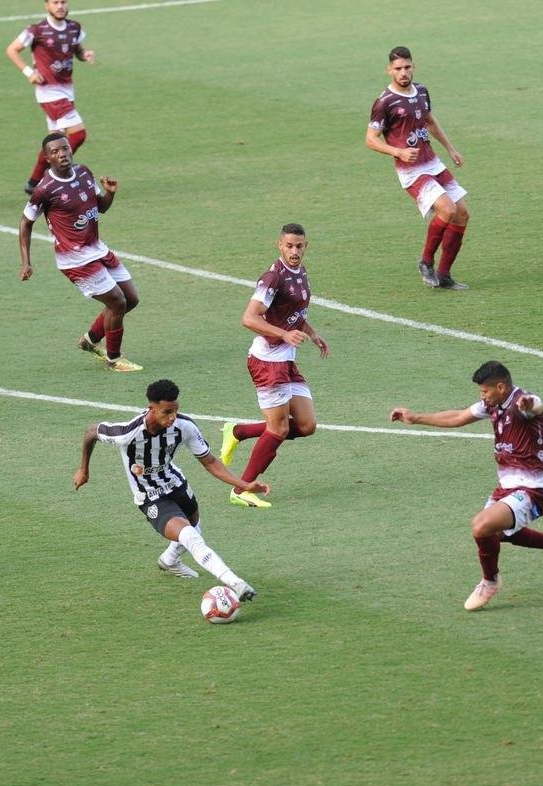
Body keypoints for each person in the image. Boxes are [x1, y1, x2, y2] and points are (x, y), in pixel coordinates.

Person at [389, 361, 543, 610]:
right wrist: (415, 417)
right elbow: (458, 416)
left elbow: (536, 405)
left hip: (534, 489)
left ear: (500, 387)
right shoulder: (494, 404)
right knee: (493, 535)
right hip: (507, 487)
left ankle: (490, 581)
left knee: (480, 526)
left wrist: (530, 404)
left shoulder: (523, 403)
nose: (482, 396)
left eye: (484, 391)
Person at [74, 379, 263, 601]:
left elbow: (210, 462)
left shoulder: (185, 427)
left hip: (176, 484)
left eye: (175, 410)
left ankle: (169, 560)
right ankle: (236, 583)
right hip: (150, 497)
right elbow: (90, 432)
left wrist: (243, 484)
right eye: (166, 412)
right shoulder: (127, 433)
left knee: (194, 529)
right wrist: (83, 470)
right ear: (151, 409)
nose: (172, 417)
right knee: (191, 537)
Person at [219, 223, 329, 509]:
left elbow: (294, 313)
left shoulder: (300, 272)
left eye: (299, 246)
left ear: (307, 246)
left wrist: (313, 334)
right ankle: (241, 489)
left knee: (306, 425)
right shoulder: (273, 278)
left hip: (286, 361)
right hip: (267, 362)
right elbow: (249, 318)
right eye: (289, 246)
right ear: (279, 245)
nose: (294, 251)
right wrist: (283, 334)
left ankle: (238, 432)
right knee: (278, 429)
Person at [19, 132, 142, 372]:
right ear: (46, 158)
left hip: (97, 249)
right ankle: (114, 359)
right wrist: (26, 262)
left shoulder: (84, 172)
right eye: (55, 151)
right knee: (117, 302)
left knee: (131, 299)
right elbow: (25, 223)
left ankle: (90, 340)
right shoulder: (45, 189)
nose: (62, 154)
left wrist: (110, 193)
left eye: (64, 148)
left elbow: (101, 207)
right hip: (74, 259)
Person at [366, 46, 470, 290]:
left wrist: (451, 149)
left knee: (462, 214)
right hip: (411, 170)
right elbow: (370, 139)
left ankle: (444, 275)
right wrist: (398, 151)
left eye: (407, 67)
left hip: (432, 162)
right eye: (398, 69)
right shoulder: (384, 102)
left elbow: (430, 122)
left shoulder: (422, 91)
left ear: (414, 66)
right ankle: (425, 261)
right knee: (446, 208)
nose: (403, 72)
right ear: (389, 70)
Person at [6, 0, 95, 195]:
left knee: (56, 140)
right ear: (47, 5)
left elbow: (76, 50)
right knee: (79, 134)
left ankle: (34, 182)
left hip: (67, 91)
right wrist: (29, 72)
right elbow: (12, 50)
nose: (60, 6)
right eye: (55, 2)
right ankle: (55, 173)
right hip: (49, 93)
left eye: (63, 2)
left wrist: (84, 55)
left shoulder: (74, 28)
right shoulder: (36, 30)